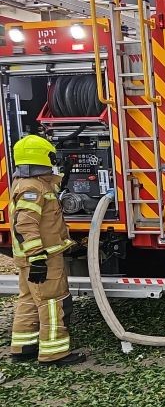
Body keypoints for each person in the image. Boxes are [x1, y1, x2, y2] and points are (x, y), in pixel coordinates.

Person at [9, 134, 83, 366]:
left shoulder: (28, 183)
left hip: (29, 258)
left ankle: (24, 347)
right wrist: (38, 258)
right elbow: (25, 225)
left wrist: (66, 174)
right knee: (53, 302)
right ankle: (54, 354)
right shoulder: (34, 188)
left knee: (29, 300)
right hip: (43, 257)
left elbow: (51, 187)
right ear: (43, 157)